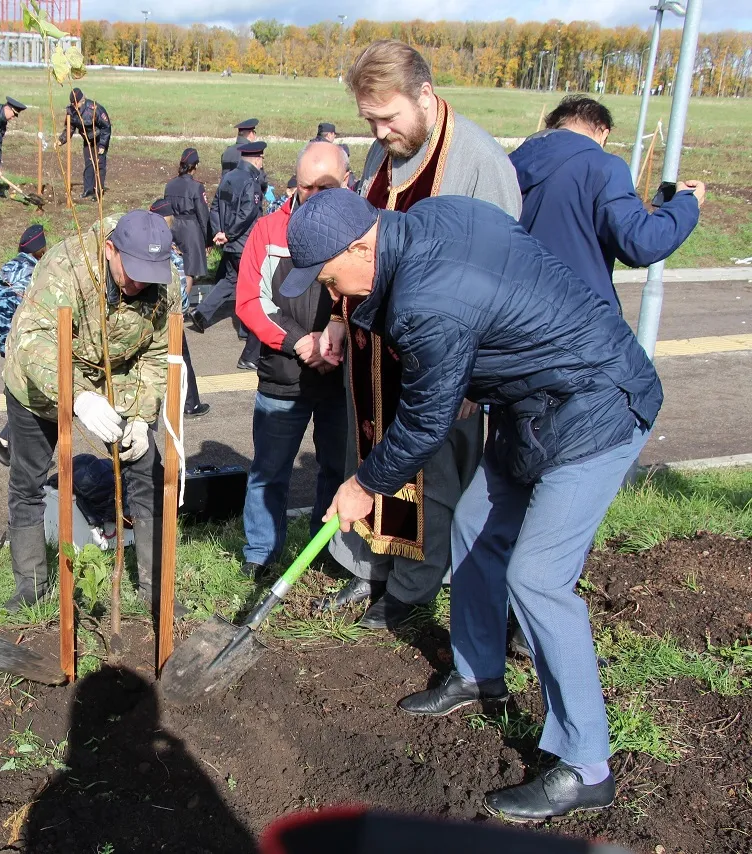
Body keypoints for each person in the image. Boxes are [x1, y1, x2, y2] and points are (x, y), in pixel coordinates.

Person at [287, 188, 663, 822]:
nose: (335, 295)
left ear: (361, 245)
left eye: (331, 279)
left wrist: (361, 484)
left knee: (538, 579)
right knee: (471, 525)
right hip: (535, 406)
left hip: (597, 404)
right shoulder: (430, 218)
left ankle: (586, 762)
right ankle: (478, 671)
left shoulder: (430, 300)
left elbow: (426, 420)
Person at [319, 39, 522, 630]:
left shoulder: (479, 161)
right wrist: (337, 315)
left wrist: (476, 371)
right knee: (375, 459)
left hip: (442, 359)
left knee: (430, 477)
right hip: (374, 353)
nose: (380, 131)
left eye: (389, 117)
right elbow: (355, 242)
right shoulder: (382, 158)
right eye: (371, 120)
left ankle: (412, 589)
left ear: (425, 95)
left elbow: (504, 271)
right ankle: (374, 569)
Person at [2, 210, 176, 613]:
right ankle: (30, 586)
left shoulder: (163, 279)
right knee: (26, 482)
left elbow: (156, 352)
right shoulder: (67, 266)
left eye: (150, 273)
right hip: (40, 385)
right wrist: (77, 395)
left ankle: (155, 587)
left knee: (147, 472)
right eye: (131, 271)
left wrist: (139, 415)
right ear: (111, 250)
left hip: (114, 381)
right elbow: (33, 340)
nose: (140, 283)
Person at [233, 142, 350, 579]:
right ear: (293, 182)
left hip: (342, 376)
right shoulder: (267, 231)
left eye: (328, 186)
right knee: (269, 469)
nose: (316, 194)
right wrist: (301, 342)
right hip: (284, 374)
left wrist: (338, 332)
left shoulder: (362, 229)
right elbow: (249, 302)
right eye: (307, 186)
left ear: (347, 182)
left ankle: (330, 550)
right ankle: (261, 552)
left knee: (337, 468)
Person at [510, 95, 705, 311]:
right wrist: (686, 203)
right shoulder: (603, 167)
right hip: (576, 321)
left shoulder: (509, 164)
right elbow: (642, 243)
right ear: (603, 132)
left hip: (510, 314)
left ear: (553, 126)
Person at [196, 140, 266, 369]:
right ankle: (248, 331)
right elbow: (248, 214)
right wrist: (231, 234)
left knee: (230, 280)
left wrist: (219, 232)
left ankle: (201, 313)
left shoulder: (228, 178)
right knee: (255, 288)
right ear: (257, 159)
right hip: (244, 243)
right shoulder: (251, 182)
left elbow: (215, 206)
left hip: (229, 242)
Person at [0, 224, 48, 466]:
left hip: (7, 342)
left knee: (20, 394)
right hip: (29, 345)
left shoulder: (6, 270)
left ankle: (5, 441)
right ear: (40, 250)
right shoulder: (35, 273)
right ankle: (12, 447)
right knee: (32, 398)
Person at [148, 197, 208, 418]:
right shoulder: (170, 248)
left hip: (145, 313)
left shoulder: (143, 242)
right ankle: (190, 403)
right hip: (170, 314)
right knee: (181, 358)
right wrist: (182, 308)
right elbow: (181, 287)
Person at [162, 147, 210, 281]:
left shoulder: (169, 185)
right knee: (191, 272)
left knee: (176, 269)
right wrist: (208, 239)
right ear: (195, 166)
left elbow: (166, 209)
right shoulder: (196, 187)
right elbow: (203, 214)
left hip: (173, 227)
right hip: (191, 231)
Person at [56, 87, 112, 200]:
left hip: (99, 138)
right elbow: (69, 128)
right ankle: (88, 190)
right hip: (87, 140)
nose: (74, 106)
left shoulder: (94, 109)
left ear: (82, 100)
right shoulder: (71, 111)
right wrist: (61, 140)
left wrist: (102, 145)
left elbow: (106, 127)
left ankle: (98, 192)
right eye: (73, 104)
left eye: (76, 103)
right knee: (89, 164)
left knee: (99, 165)